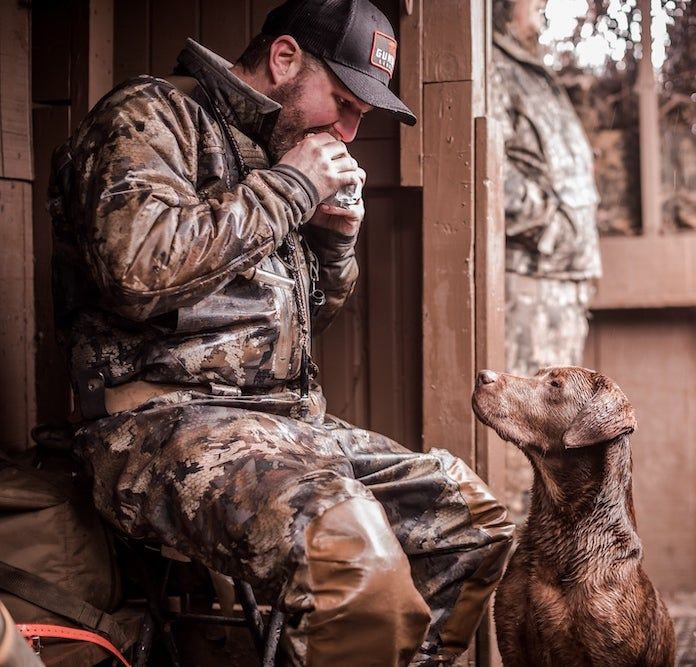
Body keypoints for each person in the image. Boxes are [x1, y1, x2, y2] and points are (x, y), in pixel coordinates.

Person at [49, 0, 513, 664]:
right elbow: (136, 270)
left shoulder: (275, 153)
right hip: (154, 429)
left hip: (286, 429)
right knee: (353, 557)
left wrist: (333, 245)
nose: (349, 131)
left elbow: (293, 329)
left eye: (362, 115)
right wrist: (293, 186)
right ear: (285, 58)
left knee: (471, 521)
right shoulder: (151, 116)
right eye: (345, 103)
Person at [491, 0, 602, 522]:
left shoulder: (531, 68)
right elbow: (489, 163)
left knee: (554, 446)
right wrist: (553, 226)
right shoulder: (493, 62)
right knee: (526, 442)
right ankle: (508, 598)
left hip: (559, 284)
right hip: (530, 282)